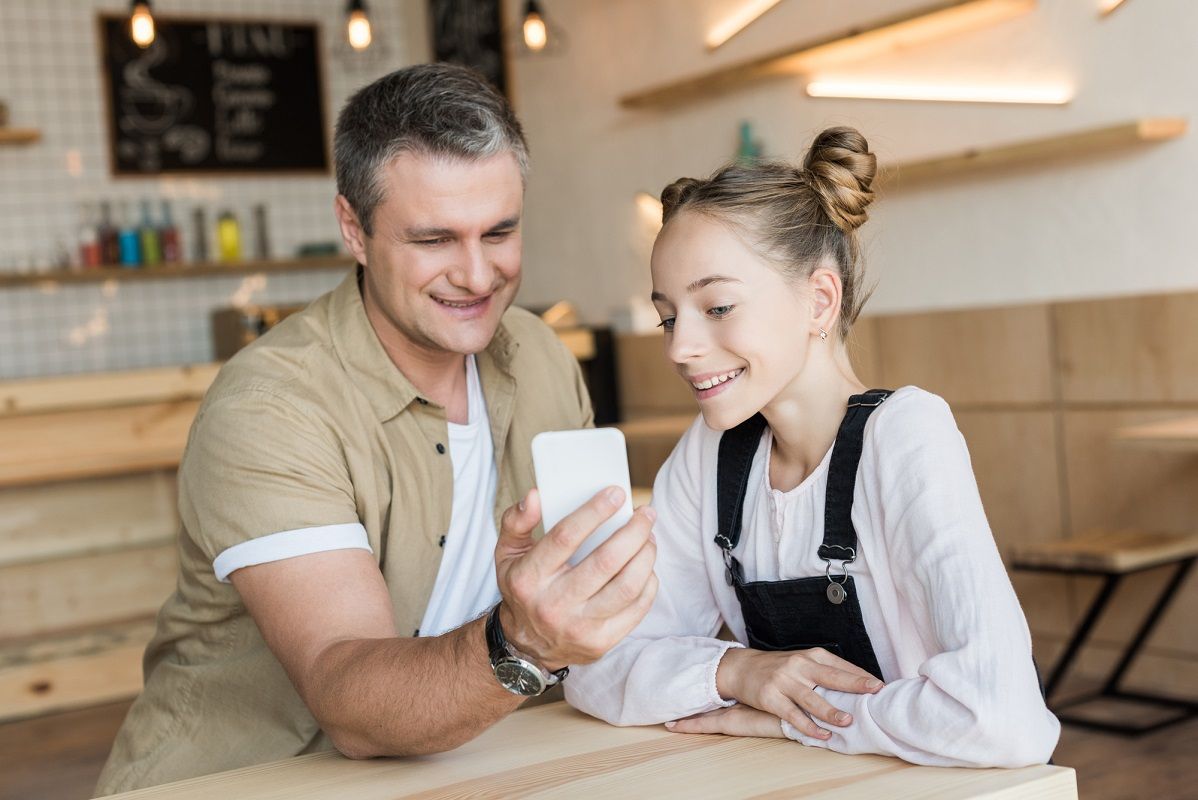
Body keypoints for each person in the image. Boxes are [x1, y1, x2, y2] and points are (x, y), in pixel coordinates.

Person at [95, 64, 658, 795]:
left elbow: (595, 599)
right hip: (244, 781)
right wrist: (521, 642)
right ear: (353, 230)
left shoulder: (543, 358)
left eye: (500, 231)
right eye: (434, 239)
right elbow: (347, 695)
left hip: (473, 762)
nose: (478, 274)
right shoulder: (270, 408)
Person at [564, 126, 1061, 768]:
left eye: (716, 308)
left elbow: (1002, 720)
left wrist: (790, 720)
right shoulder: (712, 453)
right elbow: (594, 667)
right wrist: (741, 674)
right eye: (668, 315)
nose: (678, 347)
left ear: (819, 300)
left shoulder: (906, 434)